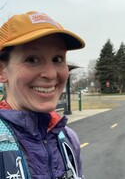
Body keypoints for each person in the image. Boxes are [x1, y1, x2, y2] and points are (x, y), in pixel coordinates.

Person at [0, 11, 85, 179]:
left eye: (57, 59)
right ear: (2, 70)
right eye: (32, 59)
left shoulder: (68, 138)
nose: (51, 74)